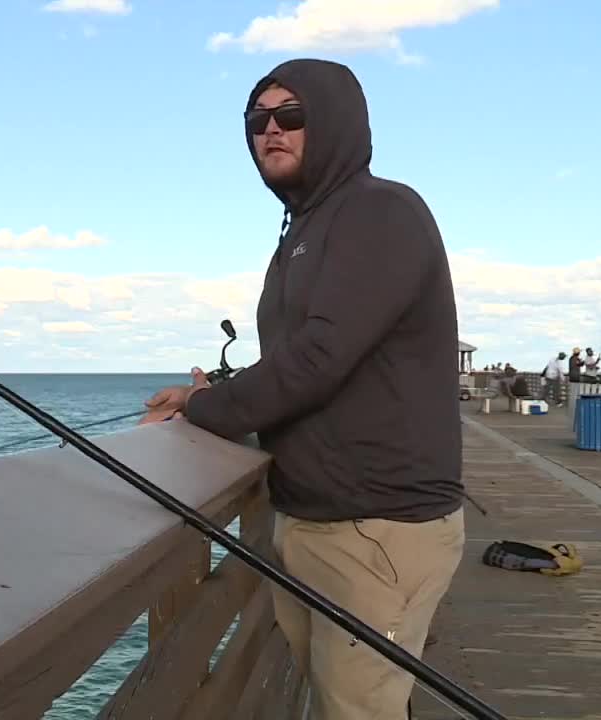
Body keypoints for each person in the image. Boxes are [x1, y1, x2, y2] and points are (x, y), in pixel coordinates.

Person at [141, 58, 464, 720]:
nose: (271, 130)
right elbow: (305, 355)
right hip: (314, 518)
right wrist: (212, 392)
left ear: (337, 123)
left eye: (291, 115)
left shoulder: (381, 211)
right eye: (256, 120)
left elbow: (320, 358)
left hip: (377, 527)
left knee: (359, 711)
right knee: (340, 702)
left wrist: (208, 409)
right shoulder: (306, 231)